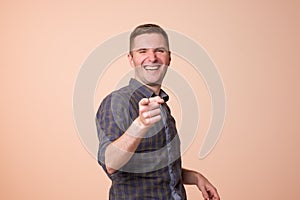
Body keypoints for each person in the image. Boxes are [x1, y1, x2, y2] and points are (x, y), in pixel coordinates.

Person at [96, 24, 220, 200]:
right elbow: (110, 163)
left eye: (159, 51)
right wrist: (139, 125)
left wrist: (196, 177)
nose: (152, 58)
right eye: (142, 51)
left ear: (169, 58)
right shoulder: (117, 102)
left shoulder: (161, 105)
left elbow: (158, 168)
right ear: (131, 59)